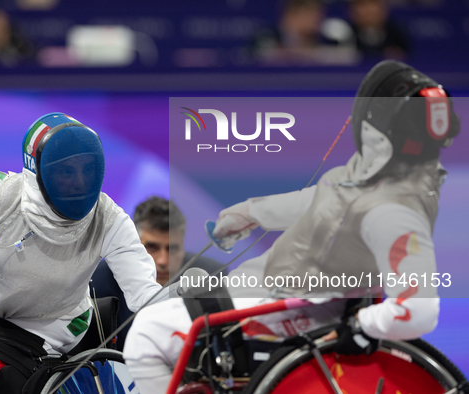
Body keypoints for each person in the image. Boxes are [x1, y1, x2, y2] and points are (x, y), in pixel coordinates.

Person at [123, 60, 460, 393]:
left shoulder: (393, 211)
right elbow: (320, 201)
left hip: (306, 309)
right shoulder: (381, 177)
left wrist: (360, 326)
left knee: (147, 334)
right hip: (281, 288)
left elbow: (418, 310)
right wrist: (250, 213)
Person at [0, 113, 171, 393]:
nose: (80, 182)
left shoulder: (109, 219)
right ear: (37, 170)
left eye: (87, 169)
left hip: (54, 327)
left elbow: (144, 293)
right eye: (67, 171)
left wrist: (183, 314)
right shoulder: (7, 194)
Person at [91, 196, 227, 351]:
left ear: (183, 247)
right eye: (152, 247)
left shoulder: (213, 277)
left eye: (172, 248)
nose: (163, 261)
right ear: (133, 245)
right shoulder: (97, 283)